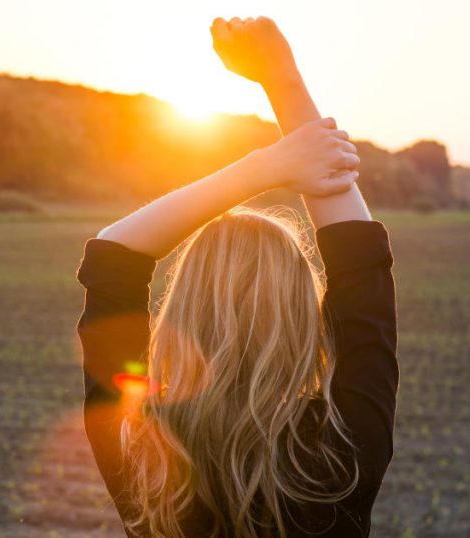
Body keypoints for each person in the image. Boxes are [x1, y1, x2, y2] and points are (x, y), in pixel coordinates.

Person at [74, 16, 398, 537]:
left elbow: (115, 255)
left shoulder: (139, 446)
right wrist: (282, 77)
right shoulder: (346, 444)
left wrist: (264, 167)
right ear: (303, 312)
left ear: (182, 305)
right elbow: (360, 265)